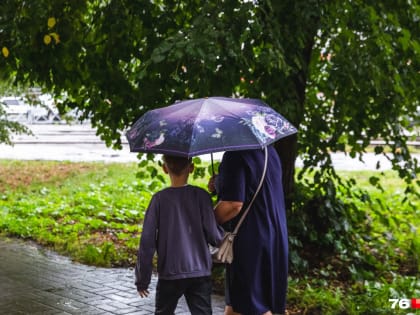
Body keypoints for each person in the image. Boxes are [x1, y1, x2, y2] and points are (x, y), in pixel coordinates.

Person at [135, 154, 224, 315]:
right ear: (191, 168)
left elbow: (147, 243)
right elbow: (214, 236)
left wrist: (143, 280)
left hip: (169, 273)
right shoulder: (202, 196)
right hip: (199, 271)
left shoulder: (158, 200)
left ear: (164, 168)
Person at [208, 146, 288, 315]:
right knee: (252, 303)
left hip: (250, 239)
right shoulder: (269, 151)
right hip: (275, 236)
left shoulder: (235, 155)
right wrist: (221, 182)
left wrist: (205, 225)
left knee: (248, 305)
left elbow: (233, 205)